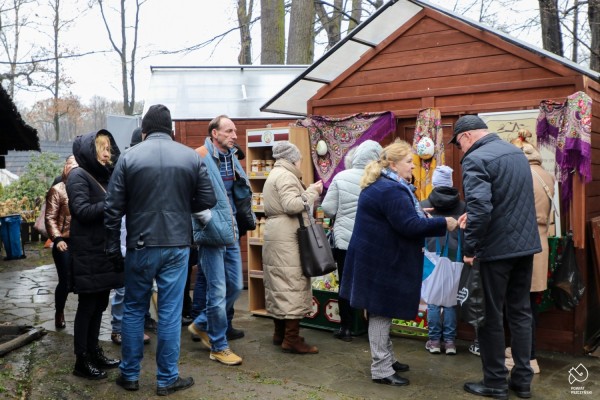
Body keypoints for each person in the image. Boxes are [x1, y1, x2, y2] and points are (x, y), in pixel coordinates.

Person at [104, 104, 216, 395]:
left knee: (133, 309)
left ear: (144, 131)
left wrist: (112, 248)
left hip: (140, 244)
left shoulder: (128, 157)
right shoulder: (191, 156)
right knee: (169, 312)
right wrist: (180, 207)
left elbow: (112, 209)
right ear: (172, 130)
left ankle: (129, 375)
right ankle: (167, 379)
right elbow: (207, 199)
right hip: (177, 245)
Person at [340, 141, 456, 387]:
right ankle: (381, 369)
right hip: (381, 261)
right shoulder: (391, 189)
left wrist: (421, 215)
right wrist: (443, 223)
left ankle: (387, 359)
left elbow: (400, 219)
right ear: (392, 164)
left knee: (383, 310)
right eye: (408, 162)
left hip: (377, 258)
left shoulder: (385, 185)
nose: (412, 167)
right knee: (381, 312)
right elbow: (409, 226)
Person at [450, 115, 541, 400]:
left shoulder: (475, 159)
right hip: (525, 247)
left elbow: (481, 209)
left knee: (490, 316)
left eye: (459, 145)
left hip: (496, 250)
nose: (460, 151)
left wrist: (469, 249)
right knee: (520, 312)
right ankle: (523, 381)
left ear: (466, 137)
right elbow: (507, 200)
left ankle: (495, 382)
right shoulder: (516, 154)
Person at [187, 115, 249, 366]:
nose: (234, 135)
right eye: (229, 131)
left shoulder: (231, 157)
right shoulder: (199, 156)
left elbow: (238, 191)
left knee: (235, 286)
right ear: (214, 133)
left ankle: (201, 323)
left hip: (231, 230)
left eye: (235, 130)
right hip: (212, 232)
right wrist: (207, 221)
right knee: (217, 288)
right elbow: (189, 194)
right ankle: (218, 345)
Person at [66, 130, 123, 380]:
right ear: (91, 150)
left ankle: (94, 350)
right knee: (87, 306)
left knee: (100, 304)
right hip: (88, 253)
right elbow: (81, 210)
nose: (107, 153)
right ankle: (82, 360)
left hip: (101, 252)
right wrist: (112, 203)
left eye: (109, 147)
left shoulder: (104, 176)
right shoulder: (78, 176)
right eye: (102, 147)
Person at [262, 141, 323, 354]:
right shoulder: (287, 176)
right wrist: (311, 192)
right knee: (292, 283)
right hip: (288, 236)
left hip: (276, 234)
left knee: (279, 283)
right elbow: (292, 205)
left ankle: (280, 334)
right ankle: (291, 339)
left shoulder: (275, 174)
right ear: (292, 158)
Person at [321, 140, 382, 342]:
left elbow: (328, 209)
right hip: (372, 241)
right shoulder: (378, 179)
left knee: (346, 284)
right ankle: (371, 329)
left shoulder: (341, 177)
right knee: (372, 284)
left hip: (344, 241)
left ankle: (346, 328)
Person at [504, 142, 555, 375]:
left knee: (519, 305)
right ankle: (520, 352)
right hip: (541, 242)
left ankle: (527, 357)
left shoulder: (523, 175)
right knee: (530, 303)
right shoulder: (547, 176)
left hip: (522, 242)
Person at [110, 128, 151, 346]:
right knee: (123, 291)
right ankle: (118, 329)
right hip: (125, 241)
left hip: (139, 241)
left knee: (138, 290)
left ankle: (134, 328)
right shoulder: (126, 164)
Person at [420, 165, 465, 355]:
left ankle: (434, 341)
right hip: (456, 255)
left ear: (435, 183)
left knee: (432, 299)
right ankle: (450, 342)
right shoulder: (463, 205)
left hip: (431, 255)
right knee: (450, 300)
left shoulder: (424, 204)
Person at [45, 155, 78, 330]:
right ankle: (59, 311)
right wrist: (57, 238)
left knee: (82, 280)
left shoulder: (83, 187)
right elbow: (50, 217)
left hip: (81, 241)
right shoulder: (57, 190)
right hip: (62, 242)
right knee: (65, 280)